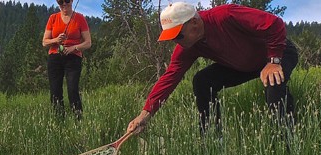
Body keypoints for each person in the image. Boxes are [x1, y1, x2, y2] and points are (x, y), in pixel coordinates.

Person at [127, 2, 298, 136]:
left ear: (194, 22)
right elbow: (169, 78)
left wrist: (274, 60)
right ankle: (212, 139)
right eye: (171, 38)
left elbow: (275, 24)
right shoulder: (187, 46)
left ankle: (286, 141)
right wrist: (144, 115)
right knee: (202, 81)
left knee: (274, 82)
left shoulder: (225, 15)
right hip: (241, 65)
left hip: (277, 53)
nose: (176, 42)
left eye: (178, 35)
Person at [42, 0, 91, 119]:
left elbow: (88, 43)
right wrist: (56, 40)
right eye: (60, 1)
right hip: (55, 57)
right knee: (55, 91)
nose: (64, 4)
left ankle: (78, 119)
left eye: (67, 1)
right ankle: (59, 120)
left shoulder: (80, 18)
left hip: (73, 58)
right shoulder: (53, 18)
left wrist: (74, 48)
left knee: (72, 89)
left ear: (72, 1)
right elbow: (44, 42)